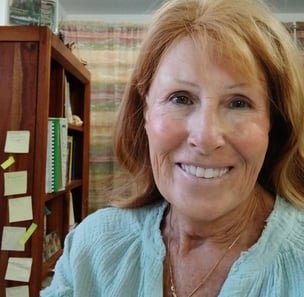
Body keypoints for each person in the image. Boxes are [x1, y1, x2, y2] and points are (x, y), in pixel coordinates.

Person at [41, 0, 304, 296]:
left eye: (238, 103)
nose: (205, 138)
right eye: (181, 98)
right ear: (145, 113)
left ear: (274, 123)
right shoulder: (91, 248)